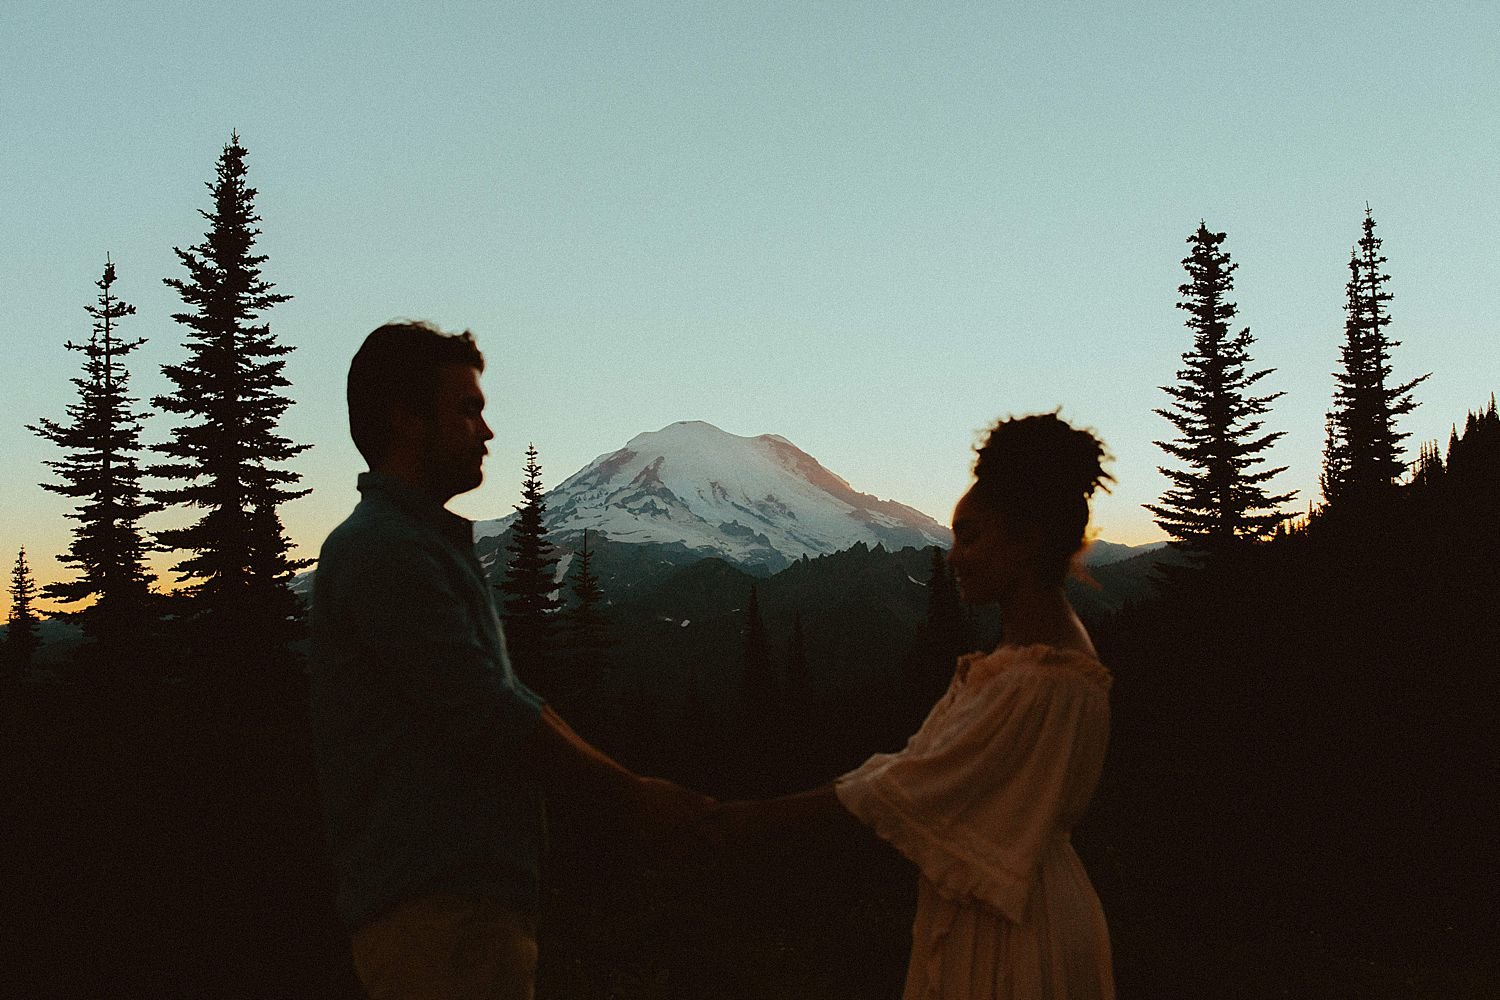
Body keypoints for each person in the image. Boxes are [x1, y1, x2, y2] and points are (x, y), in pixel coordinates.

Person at [309, 321, 711, 1000]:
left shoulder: (411, 544)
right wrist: (631, 795)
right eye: (467, 409)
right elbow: (487, 710)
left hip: (451, 911)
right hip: (438, 916)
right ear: (406, 420)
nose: (486, 431)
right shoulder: (387, 551)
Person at [706, 412, 1116, 999]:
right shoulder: (1026, 658)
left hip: (1014, 935)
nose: (953, 557)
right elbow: (905, 772)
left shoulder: (1040, 680)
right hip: (1011, 907)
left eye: (970, 537)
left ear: (1027, 538)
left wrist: (727, 821)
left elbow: (902, 790)